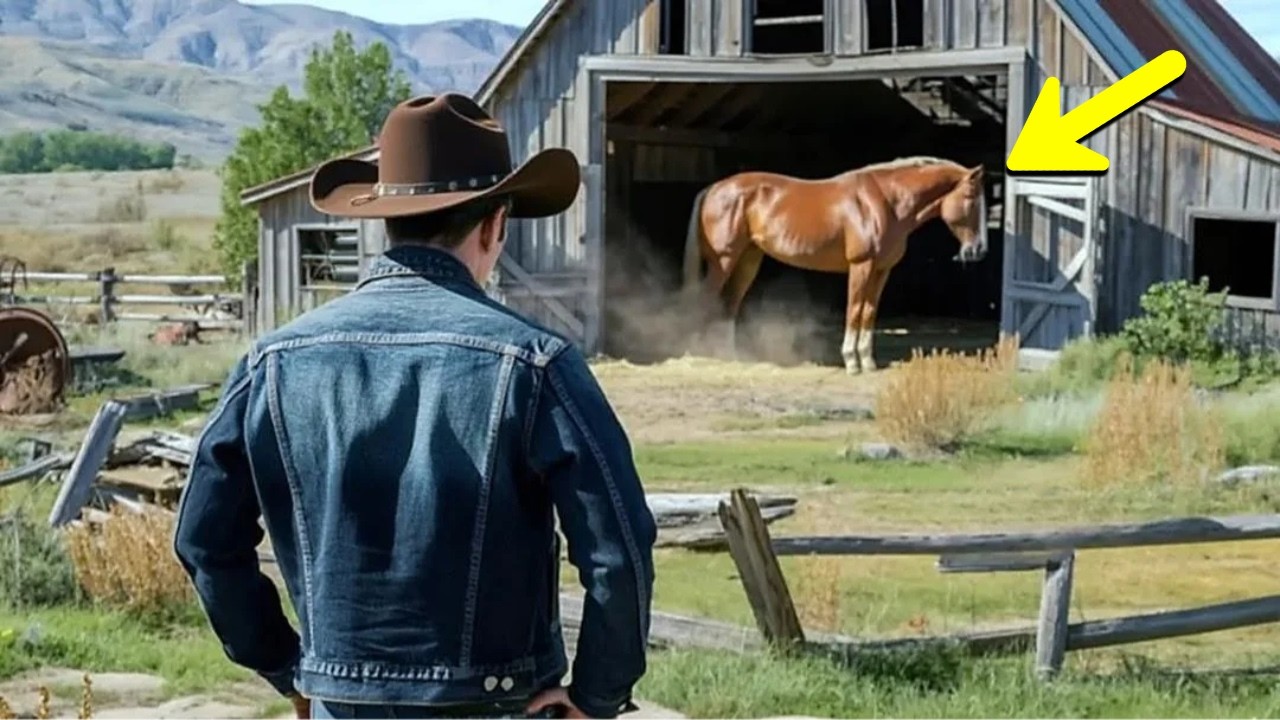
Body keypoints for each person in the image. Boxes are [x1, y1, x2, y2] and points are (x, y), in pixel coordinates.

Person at [173, 93, 657, 720]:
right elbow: (619, 548)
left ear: (385, 219)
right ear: (495, 225)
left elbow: (203, 540)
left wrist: (286, 665)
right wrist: (598, 694)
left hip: (338, 703)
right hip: (500, 704)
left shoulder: (272, 361)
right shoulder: (536, 362)